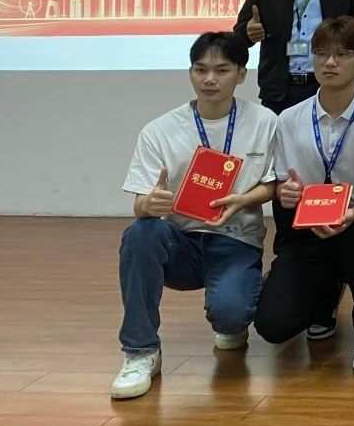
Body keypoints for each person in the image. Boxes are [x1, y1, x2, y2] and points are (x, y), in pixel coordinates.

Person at [111, 32, 279, 400]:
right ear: (190, 73)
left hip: (236, 239)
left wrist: (243, 200)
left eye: (222, 70)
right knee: (140, 233)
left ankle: (236, 310)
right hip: (181, 242)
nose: (210, 79)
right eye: (200, 70)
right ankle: (140, 351)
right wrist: (150, 204)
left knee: (230, 317)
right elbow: (139, 203)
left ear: (241, 74)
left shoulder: (264, 122)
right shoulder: (159, 130)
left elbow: (271, 183)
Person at [253, 16, 354, 370]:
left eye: (342, 54)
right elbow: (281, 182)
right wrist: (286, 192)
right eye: (321, 53)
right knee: (273, 325)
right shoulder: (289, 119)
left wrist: (350, 215)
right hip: (308, 230)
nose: (330, 62)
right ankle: (325, 296)